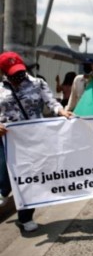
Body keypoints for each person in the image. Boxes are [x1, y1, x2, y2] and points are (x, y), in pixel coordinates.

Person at [0, 52, 73, 232]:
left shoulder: (38, 84)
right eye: (12, 72)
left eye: (20, 71)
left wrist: (61, 111)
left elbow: (51, 102)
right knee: (6, 171)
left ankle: (25, 217)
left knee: (30, 178)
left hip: (34, 139)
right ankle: (3, 190)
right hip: (6, 137)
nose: (18, 75)